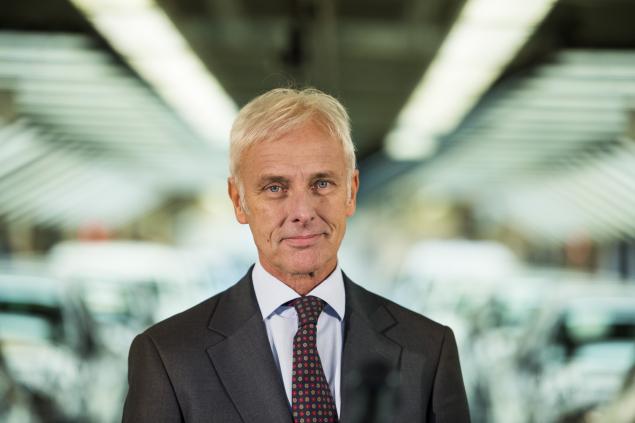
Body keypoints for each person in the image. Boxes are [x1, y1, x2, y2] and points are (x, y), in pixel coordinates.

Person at [122, 88, 470, 422]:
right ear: (238, 200)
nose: (303, 212)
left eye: (322, 184)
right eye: (275, 188)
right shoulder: (169, 356)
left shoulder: (428, 350)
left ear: (351, 192)